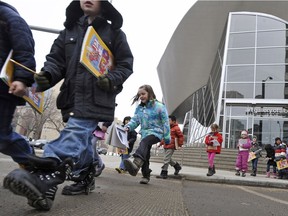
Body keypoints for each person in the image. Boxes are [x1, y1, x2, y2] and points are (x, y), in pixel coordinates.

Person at [4, 0, 133, 211]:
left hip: (97, 97)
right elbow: (56, 61)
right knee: (80, 140)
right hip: (71, 97)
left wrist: (112, 78)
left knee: (75, 134)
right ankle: (86, 173)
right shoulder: (68, 32)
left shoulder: (114, 33)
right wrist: (47, 76)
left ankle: (44, 178)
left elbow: (126, 64)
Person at [0, 2, 36, 169]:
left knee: (1, 136)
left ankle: (32, 163)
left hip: (3, 88)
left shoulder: (8, 17)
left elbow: (24, 48)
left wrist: (22, 79)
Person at [123, 84, 170, 184]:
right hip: (145, 133)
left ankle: (136, 164)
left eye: (143, 94)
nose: (141, 96)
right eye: (139, 95)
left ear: (150, 93)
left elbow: (166, 123)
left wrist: (166, 138)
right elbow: (135, 120)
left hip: (156, 133)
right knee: (146, 153)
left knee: (144, 142)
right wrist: (128, 127)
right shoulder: (140, 109)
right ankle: (146, 175)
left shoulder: (160, 107)